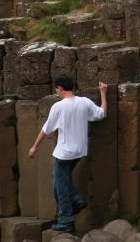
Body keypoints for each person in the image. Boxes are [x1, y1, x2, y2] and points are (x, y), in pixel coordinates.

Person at [28, 77, 108, 232]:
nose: (57, 92)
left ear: (60, 88)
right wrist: (103, 93)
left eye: (56, 89)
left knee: (61, 186)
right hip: (80, 151)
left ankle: (65, 220)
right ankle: (77, 201)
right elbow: (102, 114)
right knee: (58, 178)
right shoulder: (84, 102)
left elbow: (47, 129)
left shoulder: (58, 106)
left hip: (64, 153)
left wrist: (34, 147)